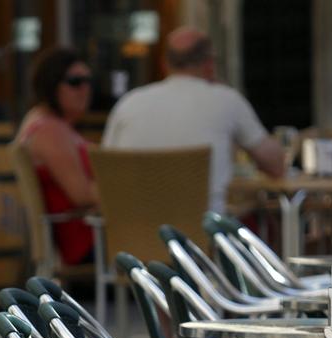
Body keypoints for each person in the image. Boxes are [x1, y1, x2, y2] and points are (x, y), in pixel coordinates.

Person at [102, 26, 285, 213]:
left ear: (164, 63)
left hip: (132, 236)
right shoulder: (225, 99)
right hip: (200, 237)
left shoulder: (129, 103)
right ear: (209, 64)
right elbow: (276, 166)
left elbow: (105, 176)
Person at [16, 48, 99, 265]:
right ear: (51, 85)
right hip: (84, 243)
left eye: (88, 81)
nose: (84, 89)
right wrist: (132, 192)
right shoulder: (50, 130)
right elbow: (80, 195)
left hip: (91, 235)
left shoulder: (44, 121)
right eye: (75, 82)